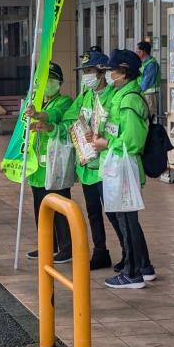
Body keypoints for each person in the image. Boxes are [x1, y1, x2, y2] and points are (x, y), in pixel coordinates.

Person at [93, 49, 155, 288]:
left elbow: (133, 141)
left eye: (112, 70)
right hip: (118, 165)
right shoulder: (121, 95)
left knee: (127, 220)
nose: (108, 74)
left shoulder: (129, 100)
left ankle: (132, 273)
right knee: (125, 218)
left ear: (124, 73)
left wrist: (106, 143)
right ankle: (140, 266)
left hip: (125, 167)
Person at [60, 47, 125, 271]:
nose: (85, 75)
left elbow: (116, 128)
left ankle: (128, 252)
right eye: (84, 71)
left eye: (89, 70)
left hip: (105, 164)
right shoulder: (87, 95)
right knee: (93, 213)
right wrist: (80, 125)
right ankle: (100, 251)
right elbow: (71, 116)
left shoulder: (112, 97)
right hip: (87, 164)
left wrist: (98, 132)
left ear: (102, 71)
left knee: (114, 212)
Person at [24, 62, 74, 264]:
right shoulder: (34, 102)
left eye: (51, 81)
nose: (46, 85)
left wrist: (38, 115)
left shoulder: (64, 102)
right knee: (40, 207)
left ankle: (66, 247)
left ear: (59, 83)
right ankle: (47, 244)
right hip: (37, 166)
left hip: (55, 164)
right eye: (43, 81)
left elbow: (54, 116)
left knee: (59, 207)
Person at [136, 41, 160, 121]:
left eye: (138, 51)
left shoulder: (151, 64)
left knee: (149, 118)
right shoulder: (143, 63)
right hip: (143, 94)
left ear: (143, 52)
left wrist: (137, 90)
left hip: (149, 95)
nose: (137, 53)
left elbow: (147, 82)